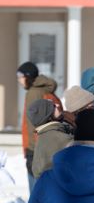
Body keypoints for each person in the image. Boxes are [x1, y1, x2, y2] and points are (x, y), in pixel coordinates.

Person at [17, 61, 62, 191]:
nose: (19, 80)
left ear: (28, 76)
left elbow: (32, 123)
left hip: (36, 147)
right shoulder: (45, 89)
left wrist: (30, 150)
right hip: (48, 144)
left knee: (36, 190)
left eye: (20, 77)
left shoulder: (34, 92)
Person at [26, 99, 72, 179]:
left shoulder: (43, 136)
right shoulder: (59, 138)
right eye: (53, 106)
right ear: (48, 115)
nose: (57, 105)